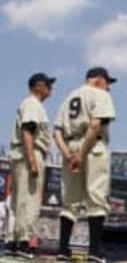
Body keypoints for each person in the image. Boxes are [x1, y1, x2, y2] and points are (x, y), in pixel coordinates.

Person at [53, 67, 117, 263]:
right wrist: (81, 154)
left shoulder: (69, 96)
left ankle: (63, 251)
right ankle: (94, 252)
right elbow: (95, 125)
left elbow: (56, 131)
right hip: (92, 145)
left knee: (69, 202)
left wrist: (69, 155)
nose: (108, 87)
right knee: (96, 200)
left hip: (70, 147)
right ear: (98, 80)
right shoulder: (100, 94)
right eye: (107, 82)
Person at [7, 73, 55, 259]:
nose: (50, 90)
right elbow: (28, 131)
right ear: (38, 86)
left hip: (22, 153)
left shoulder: (30, 104)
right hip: (30, 152)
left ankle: (13, 241)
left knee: (19, 201)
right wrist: (32, 161)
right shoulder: (33, 104)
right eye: (48, 86)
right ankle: (24, 242)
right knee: (29, 199)